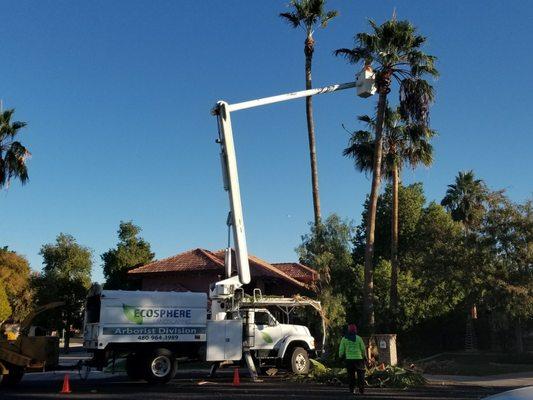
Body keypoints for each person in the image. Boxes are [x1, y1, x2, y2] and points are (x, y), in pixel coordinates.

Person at [338, 323, 366, 394]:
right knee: (361, 375)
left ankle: (352, 389)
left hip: (349, 359)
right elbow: (363, 349)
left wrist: (340, 356)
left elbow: (341, 349)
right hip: (359, 359)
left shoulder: (344, 339)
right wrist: (364, 356)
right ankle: (361, 389)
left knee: (351, 375)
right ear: (355, 330)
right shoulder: (359, 338)